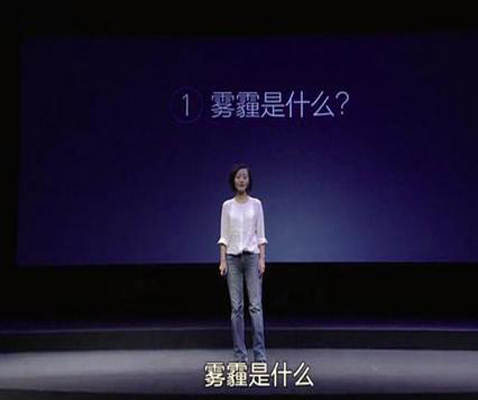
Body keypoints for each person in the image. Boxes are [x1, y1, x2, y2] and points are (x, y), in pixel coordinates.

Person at [217, 163, 268, 363]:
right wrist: (222, 261)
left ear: (249, 180)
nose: (241, 180)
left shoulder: (256, 204)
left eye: (244, 177)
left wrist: (262, 259)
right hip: (233, 259)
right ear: (233, 180)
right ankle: (240, 355)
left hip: (252, 257)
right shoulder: (227, 206)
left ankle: (260, 355)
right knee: (236, 308)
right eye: (238, 177)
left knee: (255, 307)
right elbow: (224, 236)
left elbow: (261, 235)